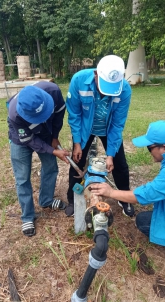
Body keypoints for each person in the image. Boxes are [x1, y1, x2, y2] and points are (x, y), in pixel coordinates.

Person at [90, 120, 165, 265]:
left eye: (150, 148)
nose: (149, 152)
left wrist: (111, 192)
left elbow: (147, 195)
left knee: (143, 221)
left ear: (164, 148)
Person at [65, 55, 134, 217]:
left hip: (108, 128)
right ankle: (73, 199)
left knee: (120, 164)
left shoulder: (124, 89)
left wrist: (110, 155)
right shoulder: (79, 80)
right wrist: (77, 142)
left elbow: (117, 124)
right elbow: (74, 113)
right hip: (84, 129)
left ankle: (125, 199)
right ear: (96, 74)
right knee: (77, 161)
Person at [7, 82, 69, 237]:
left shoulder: (53, 91)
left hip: (46, 134)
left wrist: (54, 137)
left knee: (51, 167)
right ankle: (27, 216)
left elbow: (59, 115)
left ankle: (46, 200)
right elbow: (30, 140)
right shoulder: (15, 113)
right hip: (21, 139)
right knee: (22, 178)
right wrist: (53, 151)